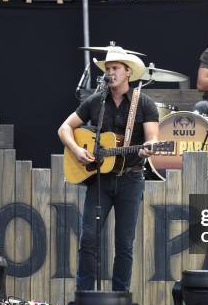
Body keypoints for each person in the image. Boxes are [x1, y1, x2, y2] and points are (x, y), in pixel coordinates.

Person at [57, 47, 159, 291]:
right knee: (88, 238)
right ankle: (84, 294)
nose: (110, 72)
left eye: (115, 69)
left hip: (130, 179)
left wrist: (149, 148)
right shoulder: (96, 101)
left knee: (124, 243)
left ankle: (120, 296)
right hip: (99, 180)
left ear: (127, 72)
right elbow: (64, 128)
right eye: (108, 69)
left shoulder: (143, 103)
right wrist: (76, 150)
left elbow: (153, 139)